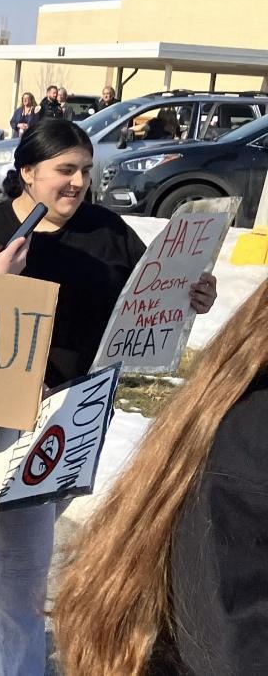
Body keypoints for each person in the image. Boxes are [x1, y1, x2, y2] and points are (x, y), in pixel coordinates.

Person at [0, 119, 218, 675]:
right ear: (26, 172)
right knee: (24, 560)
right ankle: (17, 662)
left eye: (85, 171)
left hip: (84, 409)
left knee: (31, 534)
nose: (77, 183)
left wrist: (192, 293)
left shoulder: (108, 231)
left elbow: (151, 291)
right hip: (2, 420)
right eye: (63, 170)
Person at [53, 280, 268, 676]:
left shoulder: (115, 240)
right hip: (41, 423)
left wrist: (184, 296)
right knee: (14, 557)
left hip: (81, 418)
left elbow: (138, 296)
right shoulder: (247, 449)